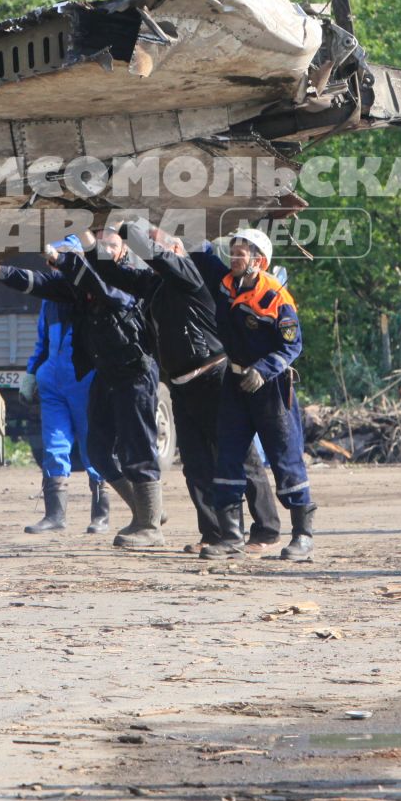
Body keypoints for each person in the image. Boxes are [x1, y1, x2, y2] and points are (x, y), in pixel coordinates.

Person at [113, 220, 284, 554]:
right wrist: (90, 249)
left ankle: (266, 530)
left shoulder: (193, 278)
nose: (169, 252)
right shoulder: (159, 288)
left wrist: (127, 229)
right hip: (181, 385)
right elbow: (119, 276)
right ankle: (215, 532)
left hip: (213, 378)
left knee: (239, 456)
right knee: (195, 463)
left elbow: (160, 258)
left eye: (174, 249)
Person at [0, 227, 165, 548]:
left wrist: (59, 257)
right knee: (97, 450)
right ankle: (146, 512)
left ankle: (151, 525)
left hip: (134, 374)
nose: (107, 250)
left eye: (112, 246)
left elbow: (102, 288)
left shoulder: (127, 278)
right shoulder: (78, 285)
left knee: (138, 448)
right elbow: (39, 283)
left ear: (122, 252)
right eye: (102, 246)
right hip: (104, 375)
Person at [184, 227, 315, 562]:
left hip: (270, 388)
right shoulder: (227, 282)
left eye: (241, 252)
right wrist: (184, 223)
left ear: (259, 260)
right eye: (234, 249)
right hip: (236, 382)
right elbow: (201, 254)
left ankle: (302, 536)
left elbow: (292, 346)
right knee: (228, 456)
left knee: (285, 459)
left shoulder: (276, 298)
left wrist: (264, 369)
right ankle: (230, 537)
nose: (234, 256)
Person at [17, 238, 109, 535]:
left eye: (59, 258)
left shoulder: (92, 293)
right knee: (55, 446)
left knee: (92, 445)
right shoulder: (49, 300)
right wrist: (32, 373)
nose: (53, 265)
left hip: (85, 380)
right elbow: (42, 342)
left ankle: (101, 515)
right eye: (52, 260)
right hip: (53, 381)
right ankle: (55, 515)